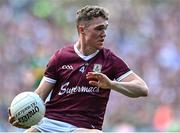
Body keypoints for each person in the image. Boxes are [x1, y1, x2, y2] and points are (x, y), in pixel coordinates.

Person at [8, 5, 148, 132]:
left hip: (84, 127)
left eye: (105, 28)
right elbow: (39, 95)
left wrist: (111, 84)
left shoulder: (109, 60)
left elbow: (142, 89)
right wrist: (23, 114)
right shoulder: (61, 57)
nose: (104, 33)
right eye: (99, 28)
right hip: (49, 123)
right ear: (82, 30)